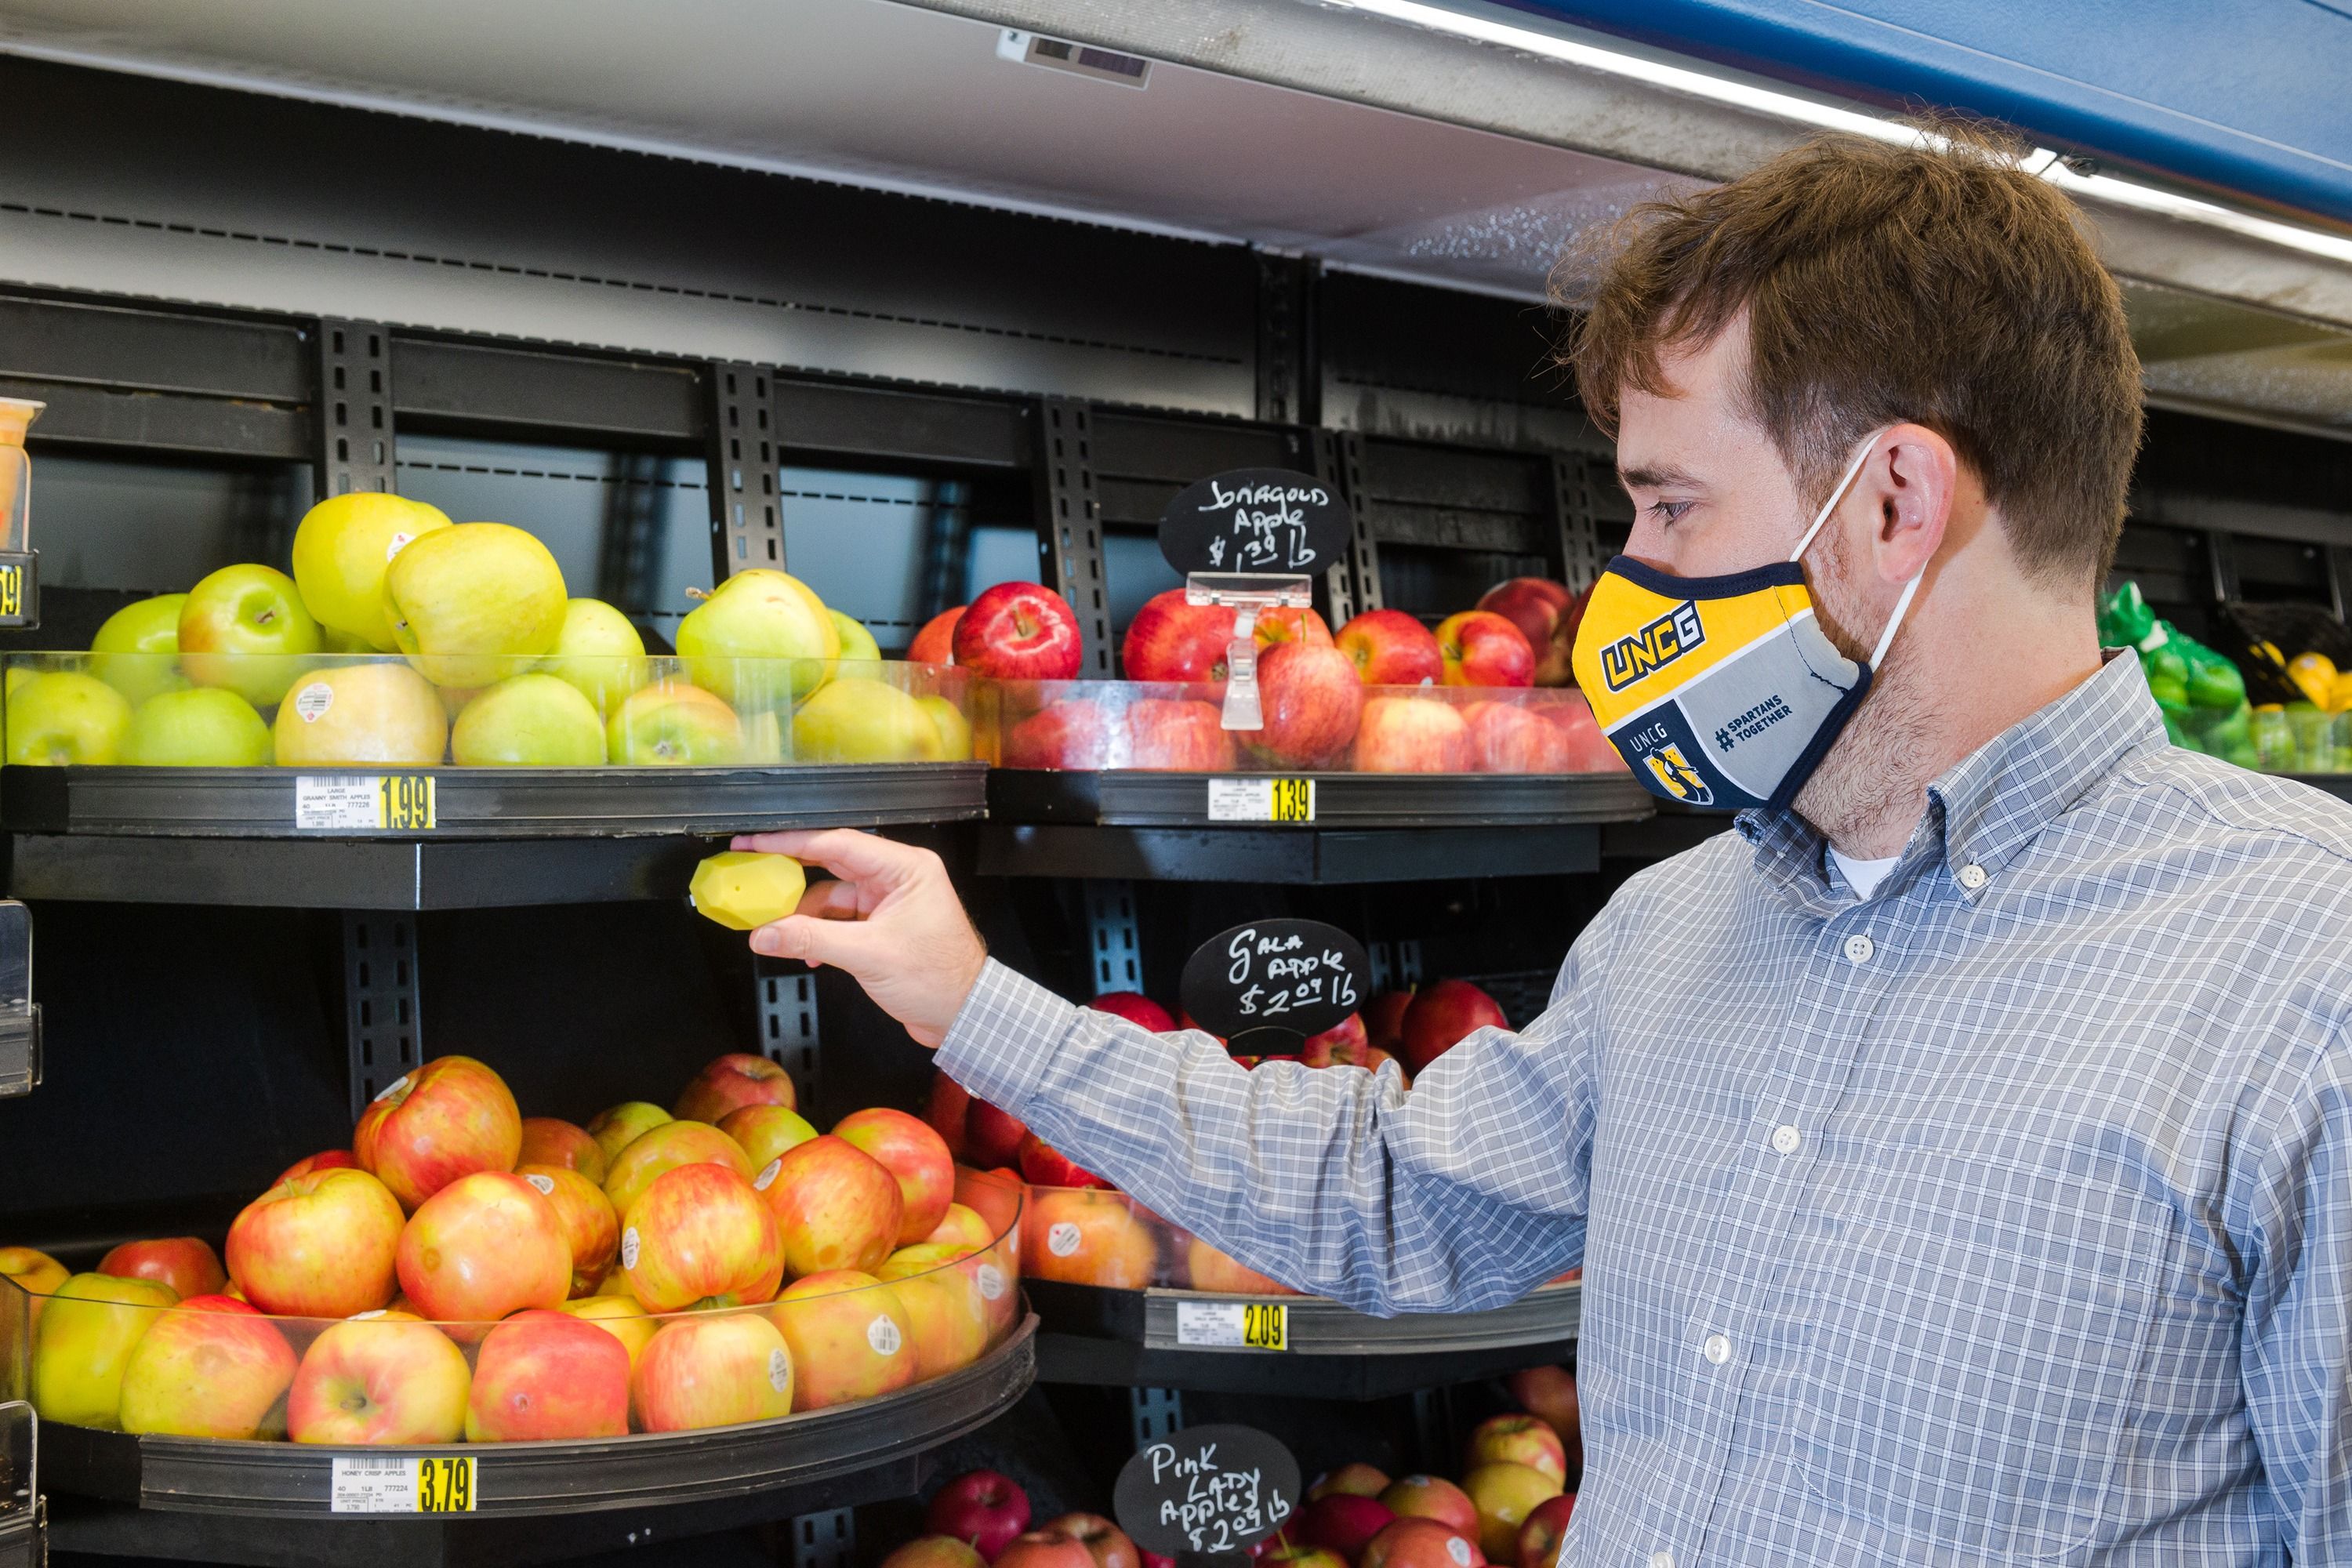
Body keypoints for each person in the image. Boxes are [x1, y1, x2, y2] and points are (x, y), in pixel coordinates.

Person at [735, 127, 2351, 1565]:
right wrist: (974, 1001)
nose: (1628, 579)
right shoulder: (1678, 928)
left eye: (1671, 506)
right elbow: (1392, 1195)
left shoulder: (2306, 979)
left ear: (1894, 503)